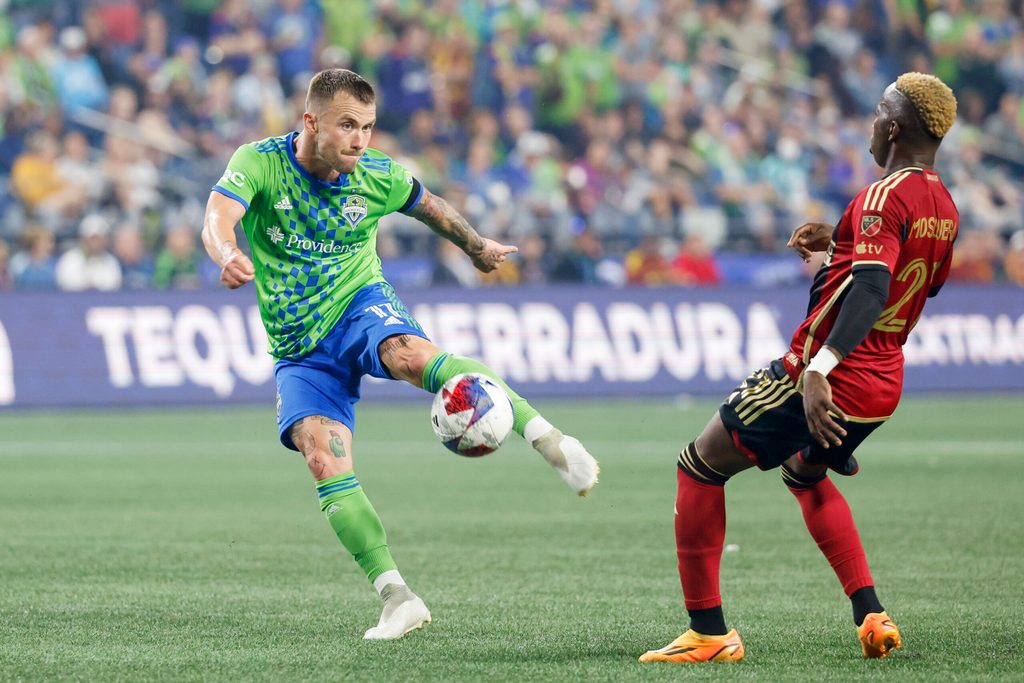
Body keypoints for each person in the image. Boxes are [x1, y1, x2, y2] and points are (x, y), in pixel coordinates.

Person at [201, 69, 599, 641]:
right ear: (311, 122)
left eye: (367, 127)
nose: (360, 140)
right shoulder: (260, 162)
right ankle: (397, 597)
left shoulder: (376, 174)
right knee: (322, 458)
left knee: (412, 357)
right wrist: (225, 250)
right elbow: (217, 216)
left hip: (359, 306)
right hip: (298, 347)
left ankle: (549, 439)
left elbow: (429, 204)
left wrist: (478, 247)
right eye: (346, 126)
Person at [640, 72, 959, 664]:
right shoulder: (943, 206)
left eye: (877, 112)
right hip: (883, 382)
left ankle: (708, 634)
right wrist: (834, 254)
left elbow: (870, 287)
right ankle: (871, 615)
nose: (870, 121)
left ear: (893, 128)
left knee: (699, 464)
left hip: (826, 376)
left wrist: (819, 369)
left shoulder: (883, 195)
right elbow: (911, 287)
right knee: (804, 474)